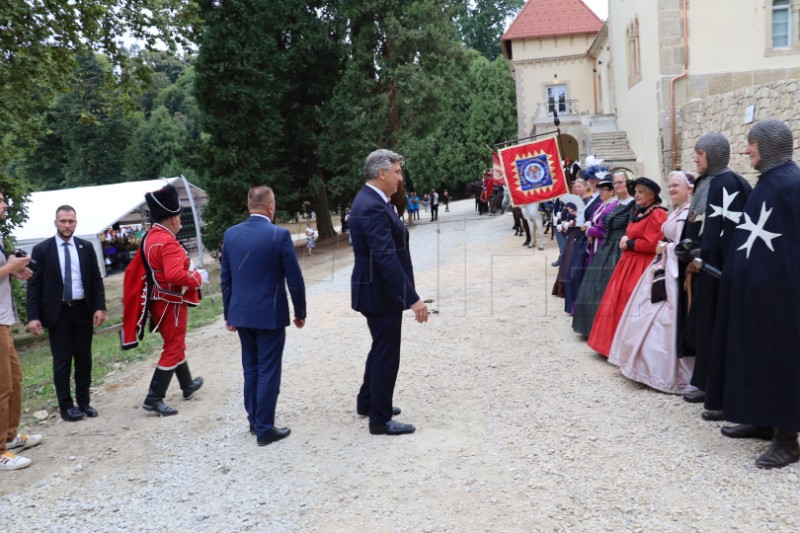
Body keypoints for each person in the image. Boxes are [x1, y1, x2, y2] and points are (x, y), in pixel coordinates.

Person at [714, 120, 800, 469]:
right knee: (758, 356)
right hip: (758, 297)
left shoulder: (792, 184)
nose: (746, 150)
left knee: (782, 361)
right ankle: (763, 419)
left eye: (750, 144)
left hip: (783, 298)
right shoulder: (768, 183)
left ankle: (788, 439)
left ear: (767, 145)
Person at [350, 149, 429, 436]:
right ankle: (380, 419)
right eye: (396, 172)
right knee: (386, 353)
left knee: (379, 347)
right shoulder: (371, 205)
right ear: (381, 173)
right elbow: (385, 258)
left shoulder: (373, 200)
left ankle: (368, 401)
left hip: (376, 291)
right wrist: (413, 298)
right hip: (379, 293)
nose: (400, 177)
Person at [221, 186, 306, 446]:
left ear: (249, 206)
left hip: (242, 314)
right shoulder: (279, 235)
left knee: (251, 367)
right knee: (269, 369)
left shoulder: (231, 235)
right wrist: (300, 312)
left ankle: (254, 421)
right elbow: (294, 278)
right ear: (271, 207)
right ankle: (265, 428)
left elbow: (226, 279)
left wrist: (229, 314)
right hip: (270, 315)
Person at [679, 134, 752, 421]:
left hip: (716, 268)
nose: (695, 158)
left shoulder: (731, 183)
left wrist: (705, 252)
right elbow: (700, 221)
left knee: (715, 327)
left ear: (713, 154)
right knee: (703, 325)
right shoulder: (705, 182)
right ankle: (706, 380)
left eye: (699, 153)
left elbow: (730, 231)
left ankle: (717, 388)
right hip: (700, 264)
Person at [608, 171, 696, 393]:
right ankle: (644, 366)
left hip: (676, 273)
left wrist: (662, 247)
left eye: (676, 185)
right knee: (644, 315)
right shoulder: (676, 211)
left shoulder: (689, 213)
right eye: (670, 185)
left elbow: (687, 244)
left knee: (664, 320)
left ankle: (669, 373)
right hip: (662, 267)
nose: (672, 189)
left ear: (690, 189)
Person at [27, 205, 106, 422]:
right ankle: (66, 406)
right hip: (57, 313)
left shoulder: (86, 247)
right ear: (55, 222)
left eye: (71, 221)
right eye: (63, 221)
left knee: (84, 359)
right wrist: (33, 316)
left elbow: (95, 279)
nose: (67, 225)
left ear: (76, 222)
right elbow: (34, 286)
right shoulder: (43, 250)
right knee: (62, 361)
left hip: (82, 310)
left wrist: (100, 306)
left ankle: (84, 402)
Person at [134, 184, 207, 416]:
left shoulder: (150, 237)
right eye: (179, 216)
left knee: (175, 344)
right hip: (172, 303)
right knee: (173, 347)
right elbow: (176, 275)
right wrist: (197, 277)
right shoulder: (168, 242)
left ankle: (187, 386)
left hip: (159, 301)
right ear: (173, 219)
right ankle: (153, 398)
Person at [587, 177, 667, 357]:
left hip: (642, 265)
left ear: (652, 195)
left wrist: (629, 243)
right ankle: (610, 345)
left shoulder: (657, 214)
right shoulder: (639, 212)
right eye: (636, 192)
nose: (637, 195)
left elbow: (652, 244)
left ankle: (629, 350)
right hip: (628, 263)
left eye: (641, 192)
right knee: (617, 302)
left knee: (633, 305)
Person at [0, 190, 40, 471]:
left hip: (5, 319)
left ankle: (10, 437)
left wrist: (14, 271)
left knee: (15, 379)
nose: (5, 204)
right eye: (0, 199)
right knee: (2, 386)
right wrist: (9, 267)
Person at [572, 170, 635, 336]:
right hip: (605, 248)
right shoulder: (615, 205)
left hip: (619, 250)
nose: (618, 185)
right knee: (593, 287)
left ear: (629, 183)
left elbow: (632, 228)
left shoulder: (632, 204)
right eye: (615, 183)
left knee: (609, 290)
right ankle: (592, 327)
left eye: (620, 182)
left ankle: (607, 331)